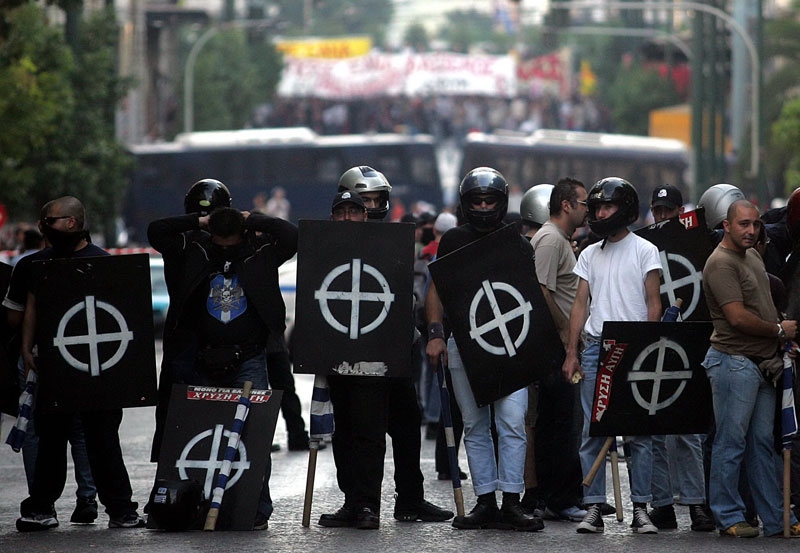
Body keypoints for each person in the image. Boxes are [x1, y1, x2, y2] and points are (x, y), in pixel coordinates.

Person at [148, 204, 298, 530]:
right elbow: (157, 231)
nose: (226, 246)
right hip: (202, 358)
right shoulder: (196, 251)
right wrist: (200, 221)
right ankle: (195, 505)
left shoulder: (259, 253)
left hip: (249, 359)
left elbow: (292, 236)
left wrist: (252, 221)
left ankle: (255, 508)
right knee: (199, 433)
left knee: (253, 435)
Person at [330, 168, 453, 526]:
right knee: (355, 430)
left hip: (395, 347)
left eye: (375, 199)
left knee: (406, 425)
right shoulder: (328, 243)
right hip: (349, 352)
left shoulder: (395, 239)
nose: (371, 207)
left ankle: (410, 499)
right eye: (363, 200)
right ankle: (358, 503)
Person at [14, 196, 145, 531]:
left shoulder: (106, 265)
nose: (43, 226)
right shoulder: (34, 265)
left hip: (98, 371)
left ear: (71, 222)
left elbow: (122, 317)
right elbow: (31, 307)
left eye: (49, 220)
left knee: (103, 441)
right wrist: (27, 349)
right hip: (53, 369)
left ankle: (121, 509)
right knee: (51, 442)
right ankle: (41, 507)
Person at [425, 167, 544, 532]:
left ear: (501, 202)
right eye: (476, 201)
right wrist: (435, 333)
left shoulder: (517, 243)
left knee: (512, 422)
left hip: (512, 347)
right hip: (465, 344)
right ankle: (485, 500)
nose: (482, 207)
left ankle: (511, 500)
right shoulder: (453, 241)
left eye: (489, 200)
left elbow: (530, 295)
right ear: (466, 203)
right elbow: (436, 289)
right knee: (475, 425)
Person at [561, 177, 662, 535]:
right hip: (596, 350)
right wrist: (572, 352)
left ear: (625, 209)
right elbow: (580, 305)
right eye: (597, 207)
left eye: (608, 206)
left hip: (634, 348)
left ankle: (641, 508)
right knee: (593, 429)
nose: (601, 213)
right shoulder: (589, 254)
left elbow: (654, 303)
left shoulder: (645, 250)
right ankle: (593, 507)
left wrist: (646, 347)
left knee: (638, 433)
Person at [700, 199, 800, 538]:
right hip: (734, 362)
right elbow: (738, 318)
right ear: (726, 226)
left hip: (762, 364)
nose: (751, 230)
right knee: (730, 444)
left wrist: (780, 333)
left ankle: (776, 519)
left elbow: (764, 307)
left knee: (761, 445)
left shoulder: (753, 257)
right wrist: (779, 331)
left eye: (755, 224)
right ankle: (727, 516)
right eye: (743, 224)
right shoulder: (720, 263)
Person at [3, 224, 98, 526]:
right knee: (81, 429)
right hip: (85, 357)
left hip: (38, 357)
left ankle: (41, 500)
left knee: (35, 430)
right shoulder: (101, 261)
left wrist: (26, 348)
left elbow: (15, 317)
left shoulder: (30, 265)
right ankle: (87, 497)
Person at [645, 184, 714, 532]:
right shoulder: (642, 247)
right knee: (655, 431)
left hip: (689, 344)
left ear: (679, 211)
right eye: (657, 210)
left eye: (668, 211)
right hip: (652, 344)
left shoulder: (695, 243)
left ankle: (697, 503)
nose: (662, 216)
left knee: (688, 429)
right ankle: (662, 505)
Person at [529, 178, 588, 523]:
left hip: (565, 345)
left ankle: (569, 494)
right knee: (561, 423)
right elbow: (541, 290)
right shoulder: (550, 239)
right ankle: (559, 498)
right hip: (557, 347)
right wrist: (567, 332)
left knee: (567, 421)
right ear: (566, 205)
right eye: (583, 203)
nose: (587, 210)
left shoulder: (560, 240)